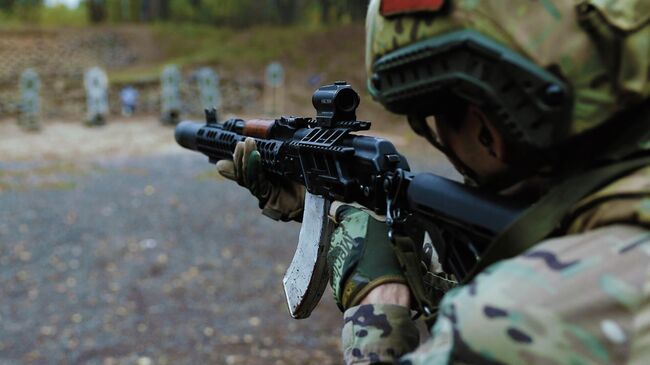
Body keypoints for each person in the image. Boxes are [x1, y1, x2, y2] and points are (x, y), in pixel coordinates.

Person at [217, 0, 650, 363]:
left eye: (433, 113)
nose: (440, 135)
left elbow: (512, 296)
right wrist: (340, 217)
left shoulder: (518, 320)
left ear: (489, 125)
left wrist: (376, 300)